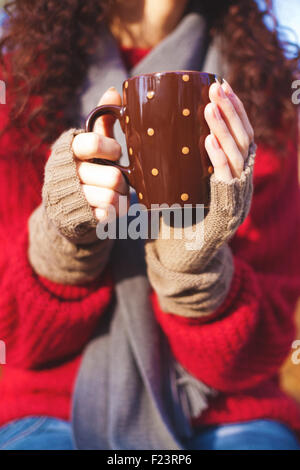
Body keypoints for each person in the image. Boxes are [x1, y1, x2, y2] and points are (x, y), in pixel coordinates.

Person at [0, 0, 300, 450]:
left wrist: (193, 263)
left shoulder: (267, 86)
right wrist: (65, 236)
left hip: (225, 409)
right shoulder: (19, 80)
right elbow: (17, 334)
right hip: (52, 406)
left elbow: (260, 350)